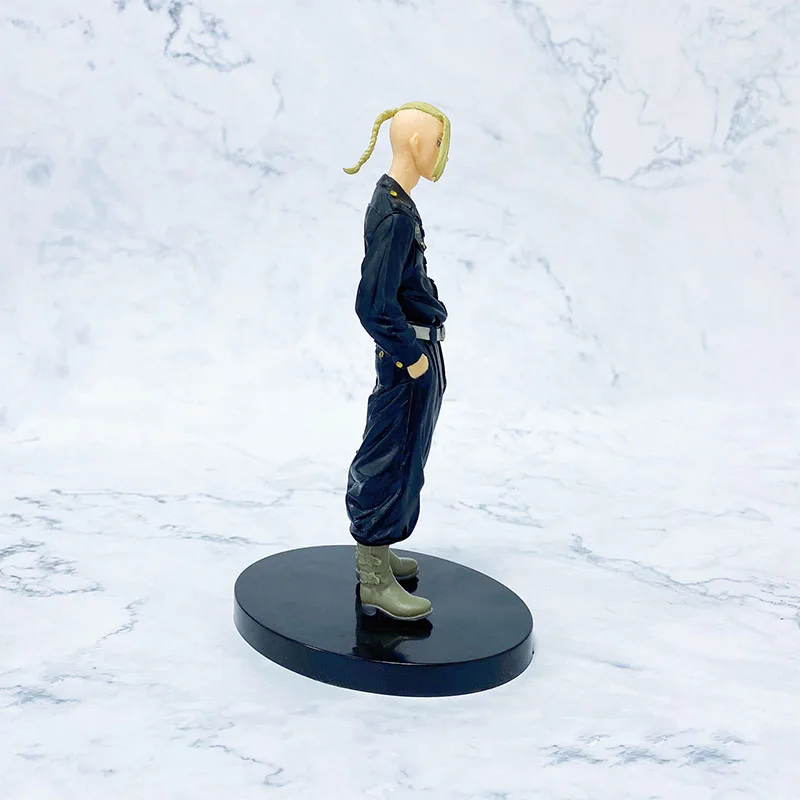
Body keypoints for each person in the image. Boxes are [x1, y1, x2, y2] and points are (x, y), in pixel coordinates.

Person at [343, 102, 451, 621]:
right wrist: (413, 359)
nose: (441, 153)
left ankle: (380, 552)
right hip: (408, 357)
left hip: (419, 352)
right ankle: (373, 578)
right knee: (387, 456)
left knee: (407, 456)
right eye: (437, 142)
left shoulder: (400, 204)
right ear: (415, 143)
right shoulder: (392, 214)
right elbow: (372, 304)